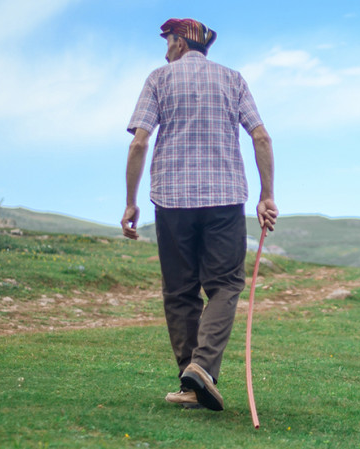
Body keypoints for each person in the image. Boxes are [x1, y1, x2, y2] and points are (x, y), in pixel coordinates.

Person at [121, 18, 277, 411]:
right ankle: (200, 372)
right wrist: (267, 196)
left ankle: (194, 378)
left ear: (178, 43)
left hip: (171, 201)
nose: (165, 50)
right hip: (224, 200)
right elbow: (260, 136)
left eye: (167, 42)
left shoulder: (159, 79)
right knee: (225, 285)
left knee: (179, 292)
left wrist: (130, 201)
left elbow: (139, 142)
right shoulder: (233, 79)